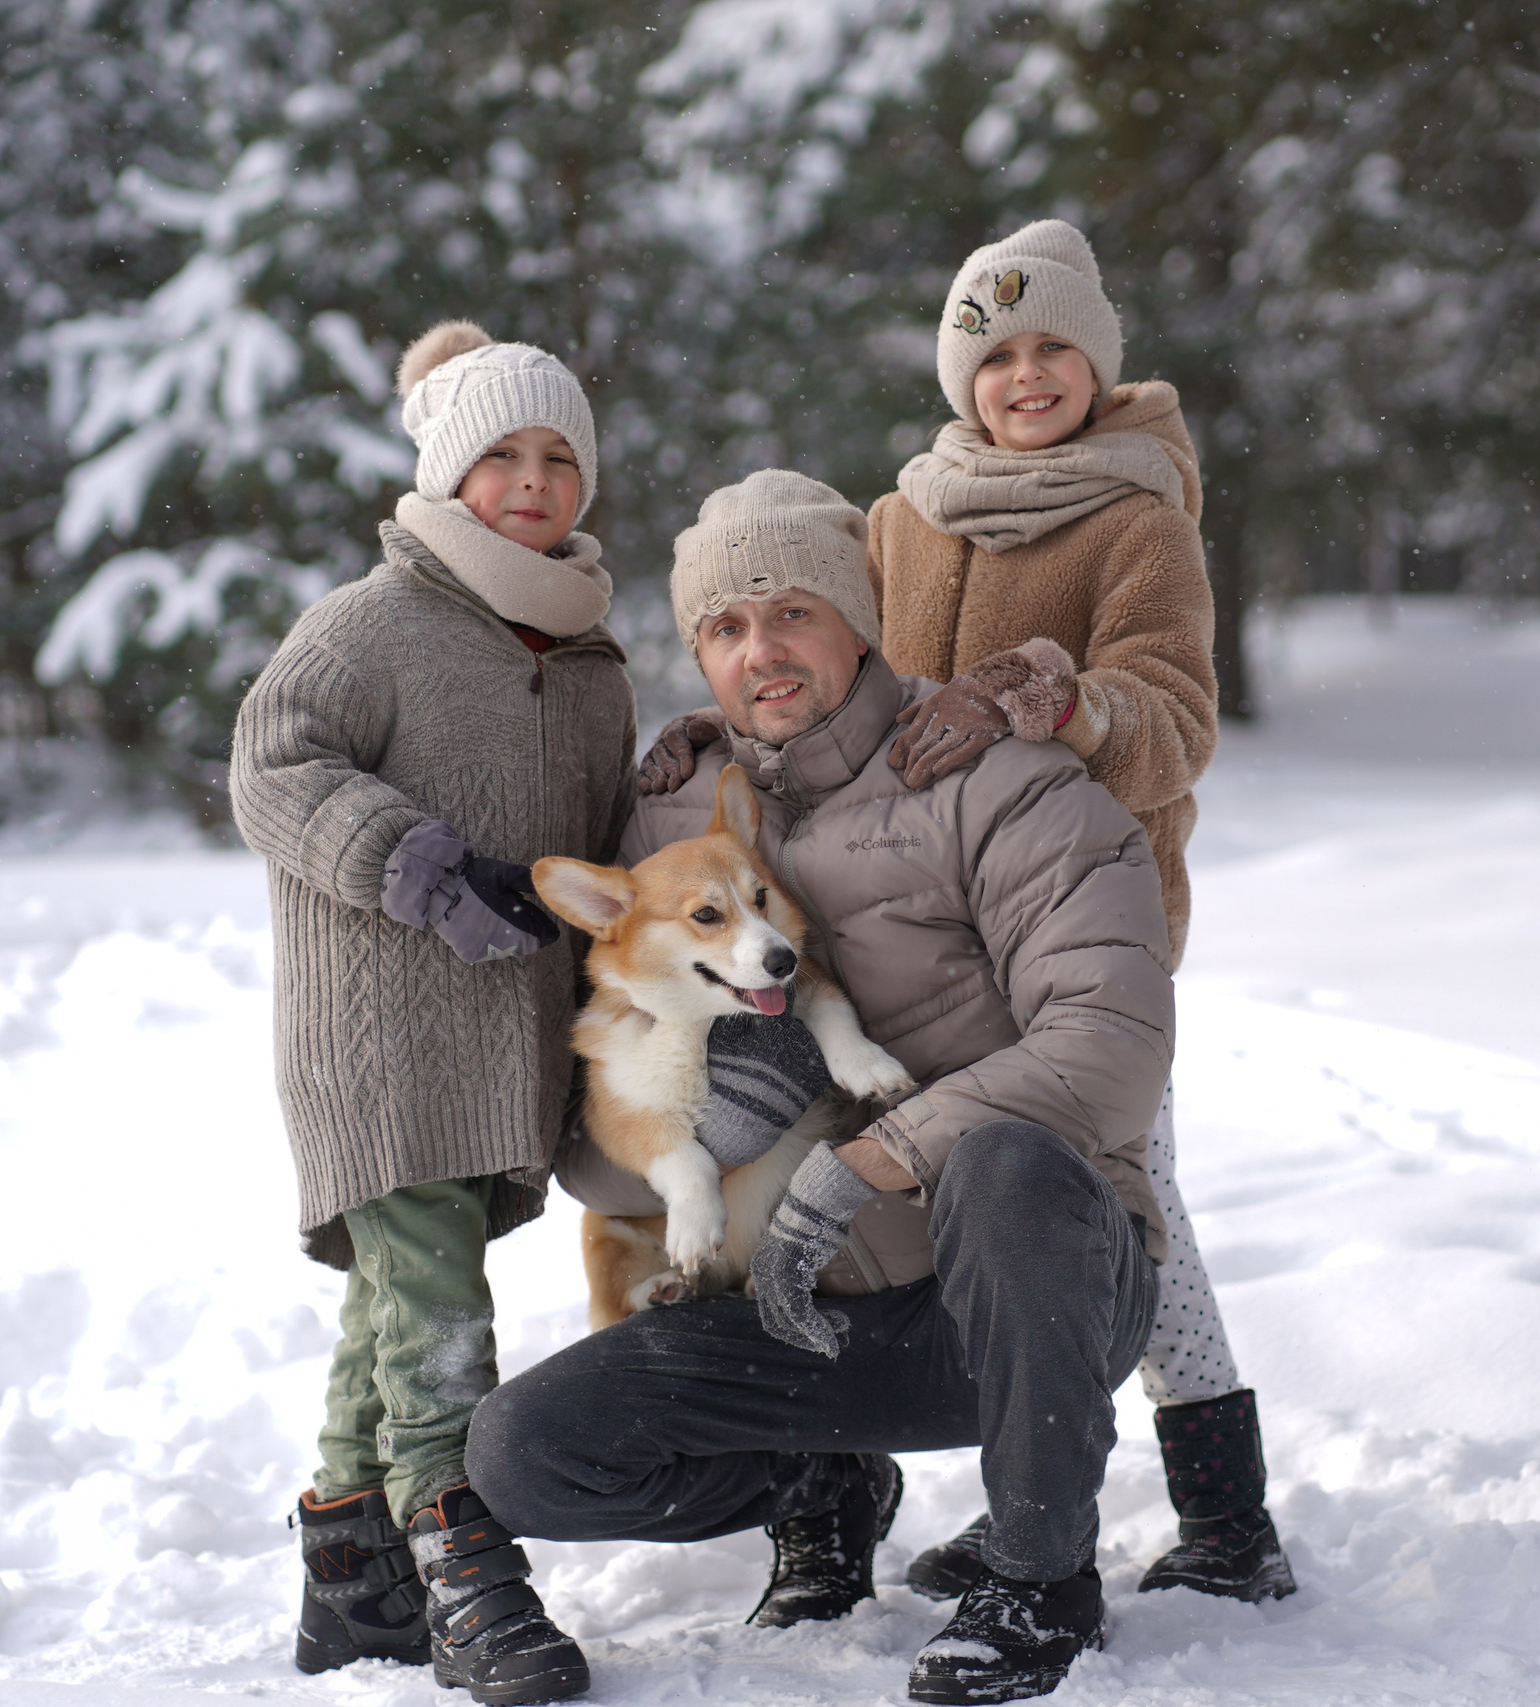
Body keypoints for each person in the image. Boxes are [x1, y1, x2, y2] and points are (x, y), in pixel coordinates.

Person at [640, 219, 1292, 1608]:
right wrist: (728, 709)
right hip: (900, 918)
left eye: (1055, 346)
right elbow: (827, 661)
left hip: (1069, 914)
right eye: (995, 355)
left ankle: (1223, 1509)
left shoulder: (1137, 518)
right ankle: (910, 1484)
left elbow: (1174, 720)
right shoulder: (907, 512)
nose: (1027, 375)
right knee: (906, 1189)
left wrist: (1058, 700)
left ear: (1101, 361)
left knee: (1121, 1200)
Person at [468, 470, 1173, 1705]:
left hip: (1012, 1295)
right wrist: (689, 1131)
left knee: (1006, 1162)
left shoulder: (1003, 783)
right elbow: (593, 1125)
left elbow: (1108, 1044)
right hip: (789, 1319)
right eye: (725, 629)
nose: (761, 653)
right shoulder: (669, 822)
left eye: (793, 612)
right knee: (525, 1454)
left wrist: (868, 1162)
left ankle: (1041, 1571)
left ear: (860, 622)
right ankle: (820, 1477)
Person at [229, 320, 629, 1706]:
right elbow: (270, 762)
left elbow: (602, 835)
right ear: (448, 473)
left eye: (559, 456)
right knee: (439, 1305)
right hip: (379, 1030)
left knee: (402, 1297)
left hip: (503, 1034)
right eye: (501, 456)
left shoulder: (586, 656)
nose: (531, 480)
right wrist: (417, 861)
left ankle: (351, 1568)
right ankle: (464, 1560)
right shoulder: (372, 620)